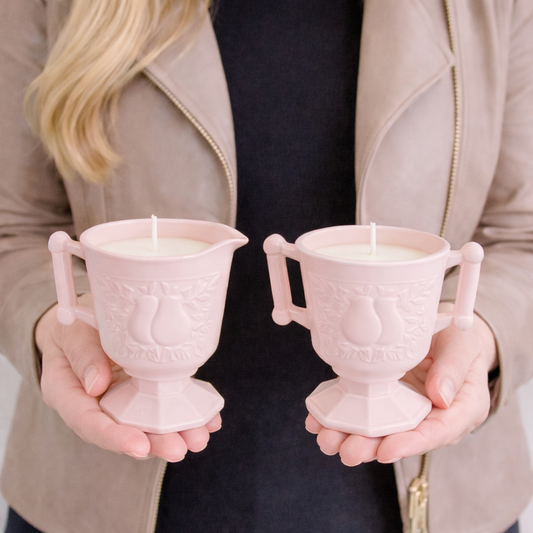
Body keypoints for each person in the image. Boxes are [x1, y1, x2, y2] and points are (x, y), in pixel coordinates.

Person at [0, 0, 532, 531]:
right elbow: (15, 226)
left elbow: (521, 234)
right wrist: (55, 320)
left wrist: (480, 330)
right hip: (97, 489)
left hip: (431, 496)